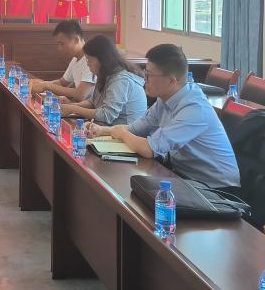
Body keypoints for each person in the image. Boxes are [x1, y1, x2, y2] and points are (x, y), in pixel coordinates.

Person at [91, 43, 240, 189]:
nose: (144, 79)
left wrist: (122, 134)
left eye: (149, 75)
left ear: (171, 81)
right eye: (145, 72)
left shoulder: (194, 109)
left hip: (216, 188)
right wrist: (102, 130)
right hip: (184, 176)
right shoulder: (164, 99)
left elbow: (149, 149)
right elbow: (135, 129)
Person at [62, 35, 147, 125]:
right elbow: (93, 102)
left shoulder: (121, 80)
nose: (88, 64)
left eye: (89, 60)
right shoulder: (105, 75)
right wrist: (70, 106)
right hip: (109, 127)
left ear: (103, 60)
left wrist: (74, 109)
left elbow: (107, 115)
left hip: (126, 129)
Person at [30, 20, 95, 101]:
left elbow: (80, 94)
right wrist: (41, 83)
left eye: (62, 44)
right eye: (58, 44)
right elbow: (62, 83)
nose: (59, 48)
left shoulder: (91, 59)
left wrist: (46, 85)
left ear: (76, 40)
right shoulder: (75, 59)